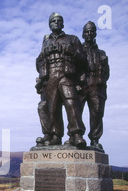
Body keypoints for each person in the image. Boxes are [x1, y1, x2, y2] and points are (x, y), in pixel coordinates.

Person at [36, 13, 87, 148]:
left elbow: (83, 60)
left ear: (63, 24)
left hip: (66, 76)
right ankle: (55, 136)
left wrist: (72, 52)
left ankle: (76, 134)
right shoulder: (46, 42)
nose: (56, 22)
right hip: (50, 77)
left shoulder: (72, 39)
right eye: (53, 21)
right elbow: (38, 62)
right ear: (50, 24)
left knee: (71, 103)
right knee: (52, 108)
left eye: (59, 21)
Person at [80, 21, 110, 150]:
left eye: (92, 31)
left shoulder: (101, 53)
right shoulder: (78, 50)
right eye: (87, 31)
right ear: (83, 34)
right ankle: (76, 137)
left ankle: (95, 139)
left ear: (95, 34)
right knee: (75, 112)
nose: (89, 33)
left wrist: (100, 82)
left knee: (97, 113)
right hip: (81, 84)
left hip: (96, 85)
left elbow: (107, 72)